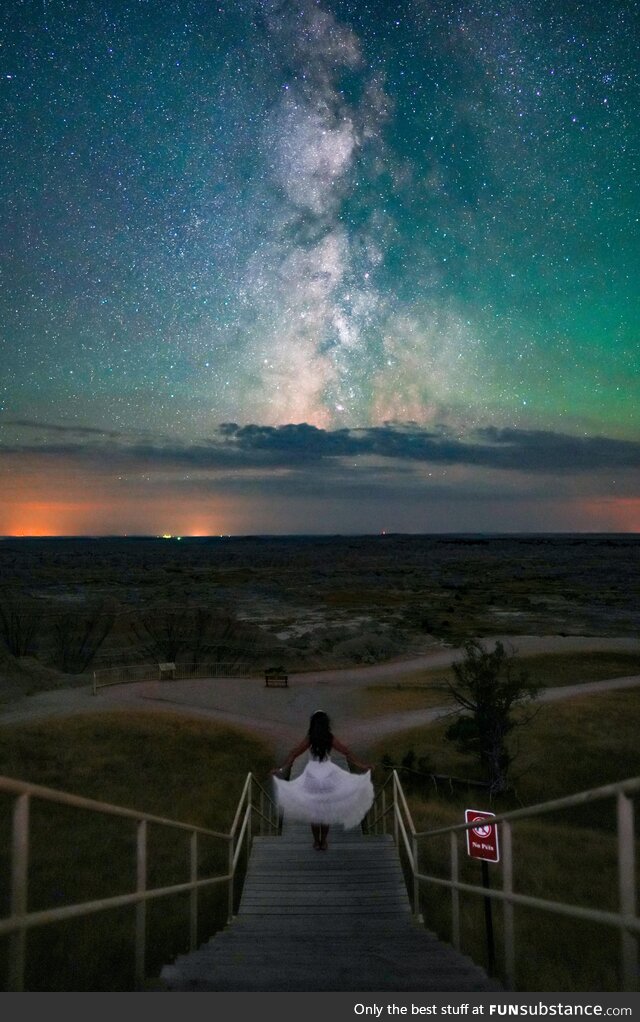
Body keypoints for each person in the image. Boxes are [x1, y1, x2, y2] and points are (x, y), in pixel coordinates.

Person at [270, 710, 374, 850]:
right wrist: (363, 766)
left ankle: (316, 842)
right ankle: (323, 841)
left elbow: (294, 753)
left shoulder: (310, 738)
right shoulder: (329, 738)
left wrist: (281, 769)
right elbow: (346, 751)